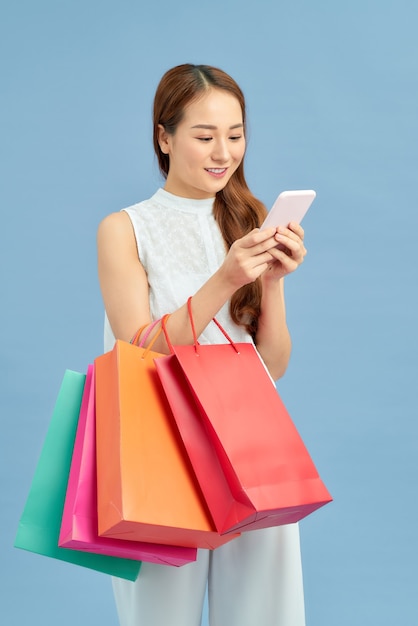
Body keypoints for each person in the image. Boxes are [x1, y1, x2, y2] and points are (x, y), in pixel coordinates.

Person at [97, 63, 307, 626]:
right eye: (204, 135)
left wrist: (272, 282)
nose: (223, 152)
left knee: (268, 613)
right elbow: (141, 347)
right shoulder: (125, 228)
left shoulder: (249, 218)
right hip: (159, 443)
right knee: (159, 615)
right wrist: (225, 279)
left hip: (248, 440)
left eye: (235, 135)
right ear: (164, 138)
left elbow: (274, 369)